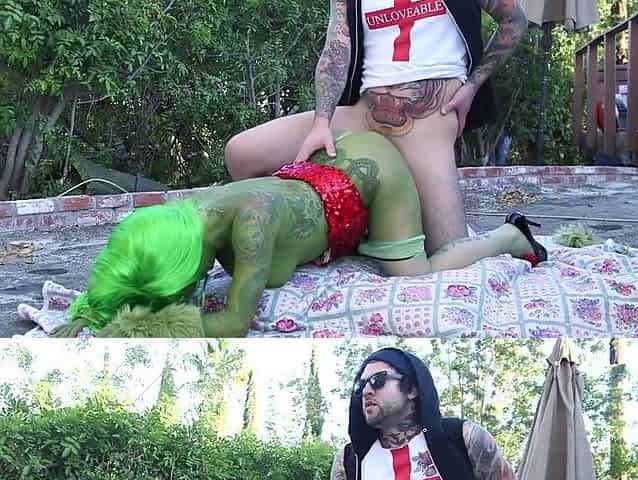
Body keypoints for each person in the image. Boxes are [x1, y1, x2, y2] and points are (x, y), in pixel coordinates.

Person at [55, 131, 545, 338]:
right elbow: (138, 266)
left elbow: (234, 323)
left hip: (375, 173)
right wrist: (92, 311)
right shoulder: (181, 222)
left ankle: (510, 236)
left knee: (415, 275)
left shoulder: (251, 228)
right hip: (324, 166)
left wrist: (135, 327)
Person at [224, 0, 529, 255]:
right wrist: (321, 122)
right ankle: (322, 237)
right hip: (365, 116)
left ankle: (509, 236)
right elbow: (337, 47)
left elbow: (514, 20)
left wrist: (472, 87)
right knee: (241, 154)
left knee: (445, 253)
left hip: (429, 122)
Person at [333, 347, 516, 480]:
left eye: (377, 380)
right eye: (361, 385)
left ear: (412, 389)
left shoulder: (465, 438)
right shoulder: (349, 462)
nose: (366, 391)